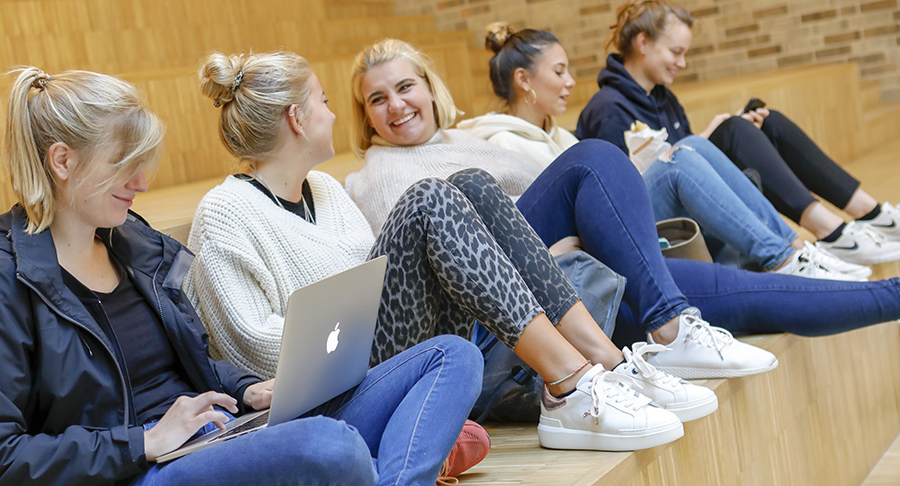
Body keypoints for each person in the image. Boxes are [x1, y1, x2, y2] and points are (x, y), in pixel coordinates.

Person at [0, 66, 484, 486]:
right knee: (334, 449)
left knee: (454, 356)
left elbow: (190, 359)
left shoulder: (133, 245)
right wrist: (142, 442)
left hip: (216, 434)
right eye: (124, 165)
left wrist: (244, 386)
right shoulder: (2, 284)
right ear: (62, 161)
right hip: (138, 477)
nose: (143, 182)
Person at [185, 50, 714, 452]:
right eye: (323, 102)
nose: (332, 114)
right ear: (297, 120)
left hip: (376, 349)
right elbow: (251, 351)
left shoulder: (323, 191)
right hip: (328, 390)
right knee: (429, 198)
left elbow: (377, 284)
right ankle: (568, 386)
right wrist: (346, 323)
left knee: (473, 184)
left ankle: (603, 362)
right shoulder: (224, 214)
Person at [344, 37, 900, 357]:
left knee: (754, 297)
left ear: (429, 87)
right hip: (524, 307)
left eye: (405, 87)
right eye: (377, 99)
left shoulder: (468, 138)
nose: (396, 106)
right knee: (597, 158)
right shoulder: (378, 175)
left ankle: (891, 292)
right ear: (364, 115)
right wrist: (559, 246)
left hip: (593, 272)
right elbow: (439, 262)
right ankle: (673, 320)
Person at [458, 23, 869, 281]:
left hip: (613, 222)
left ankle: (793, 251)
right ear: (524, 80)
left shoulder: (561, 137)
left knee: (695, 147)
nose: (570, 82)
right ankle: (785, 256)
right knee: (683, 156)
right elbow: (547, 226)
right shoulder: (504, 143)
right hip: (592, 244)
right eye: (559, 71)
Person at [576, 0, 900, 266]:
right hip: (649, 224)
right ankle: (832, 233)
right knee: (731, 131)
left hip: (689, 196)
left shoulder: (664, 98)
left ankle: (873, 215)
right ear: (643, 43)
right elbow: (626, 190)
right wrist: (711, 135)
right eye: (676, 52)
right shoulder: (608, 108)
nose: (683, 63)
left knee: (767, 122)